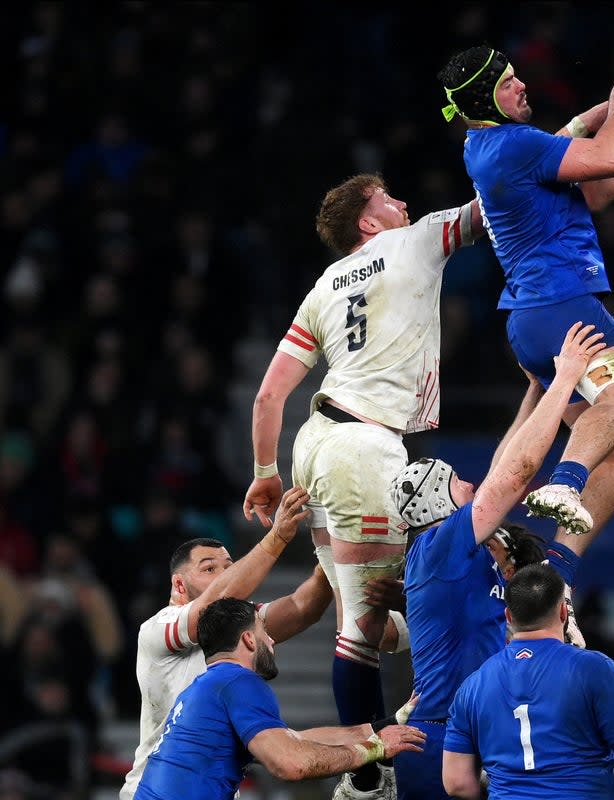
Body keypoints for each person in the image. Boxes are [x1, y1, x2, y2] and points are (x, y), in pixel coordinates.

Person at [241, 173, 482, 797]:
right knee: (405, 594)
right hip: (364, 448)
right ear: (369, 223)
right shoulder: (419, 239)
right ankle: (390, 759)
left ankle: (368, 772)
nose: (403, 202)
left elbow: (270, 395)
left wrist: (265, 473)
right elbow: (502, 195)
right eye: (388, 199)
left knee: (364, 614)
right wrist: (580, 130)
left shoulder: (322, 288)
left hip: (313, 444)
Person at [435, 45, 614, 644]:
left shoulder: (492, 147)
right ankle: (567, 479)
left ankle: (556, 576)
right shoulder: (514, 145)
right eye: (510, 81)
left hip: (533, 321)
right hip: (561, 307)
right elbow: (608, 153)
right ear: (483, 98)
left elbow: (597, 185)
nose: (523, 85)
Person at [390, 321, 607, 800]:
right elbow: (513, 475)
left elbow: (500, 469)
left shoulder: (449, 548)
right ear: (433, 504)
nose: (468, 485)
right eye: (455, 483)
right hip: (446, 739)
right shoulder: (438, 545)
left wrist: (533, 392)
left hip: (473, 732)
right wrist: (567, 377)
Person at [120, 486, 408, 799]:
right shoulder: (160, 628)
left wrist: (334, 550)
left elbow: (301, 608)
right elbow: (291, 763)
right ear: (178, 584)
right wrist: (278, 537)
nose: (225, 574)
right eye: (209, 568)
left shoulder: (229, 647)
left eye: (229, 566)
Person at [134, 598, 426, 799]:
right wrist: (372, 750)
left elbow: (292, 740)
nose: (272, 641)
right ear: (249, 640)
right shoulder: (239, 680)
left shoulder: (207, 687)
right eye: (265, 633)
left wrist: (379, 728)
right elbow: (291, 763)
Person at [442, 563, 614, 798]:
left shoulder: (472, 686)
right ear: (564, 612)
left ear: (508, 616)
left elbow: (456, 783)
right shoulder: (592, 668)